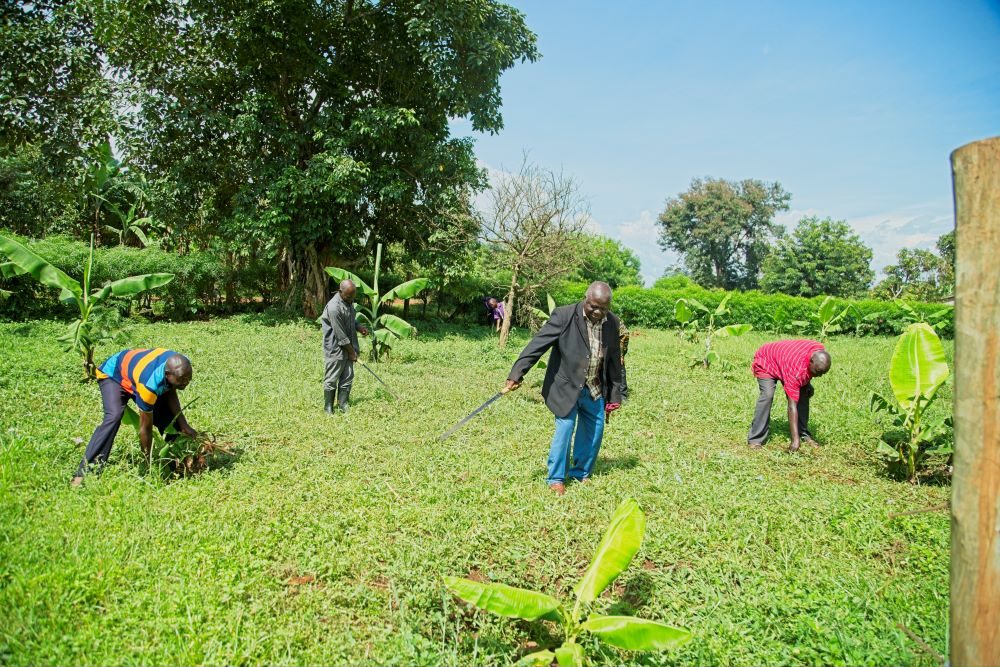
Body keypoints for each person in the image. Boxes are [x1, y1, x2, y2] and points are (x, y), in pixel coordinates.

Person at [504, 281, 624, 495]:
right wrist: (517, 373)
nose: (597, 312)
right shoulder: (564, 316)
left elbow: (615, 360)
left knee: (594, 431)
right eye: (593, 306)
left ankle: (580, 473)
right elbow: (537, 345)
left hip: (594, 387)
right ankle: (556, 478)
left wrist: (616, 393)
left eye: (603, 308)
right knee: (565, 428)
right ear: (585, 299)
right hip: (567, 385)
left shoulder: (612, 323)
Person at [71, 348, 196, 486]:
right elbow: (145, 429)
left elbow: (170, 390)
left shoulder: (182, 363)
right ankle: (84, 472)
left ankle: (180, 464)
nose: (186, 382)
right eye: (182, 379)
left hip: (137, 374)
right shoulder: (149, 385)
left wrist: (184, 424)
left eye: (188, 377)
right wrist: (147, 461)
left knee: (169, 421)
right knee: (114, 416)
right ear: (167, 375)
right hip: (113, 375)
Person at [747, 339, 832, 452]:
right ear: (811, 361)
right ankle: (755, 439)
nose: (820, 376)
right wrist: (794, 441)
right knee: (767, 395)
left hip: (785, 360)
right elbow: (792, 406)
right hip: (766, 360)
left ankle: (803, 434)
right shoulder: (796, 371)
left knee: (803, 393)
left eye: (823, 373)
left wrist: (807, 383)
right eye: (818, 372)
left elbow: (805, 371)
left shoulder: (817, 348)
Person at [321, 279, 369, 414]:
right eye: (349, 297)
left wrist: (359, 327)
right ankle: (328, 407)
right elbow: (340, 335)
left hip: (349, 346)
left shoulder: (348, 300)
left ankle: (343, 403)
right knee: (332, 378)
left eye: (353, 297)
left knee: (347, 376)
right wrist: (352, 352)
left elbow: (350, 317)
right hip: (336, 348)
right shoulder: (334, 308)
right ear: (340, 292)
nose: (351, 299)